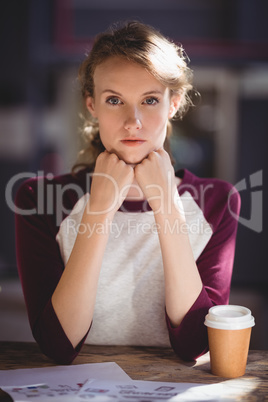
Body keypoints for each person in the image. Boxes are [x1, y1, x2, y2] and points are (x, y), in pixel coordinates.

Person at [15, 21, 240, 364]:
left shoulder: (218, 202)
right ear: (92, 105)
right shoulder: (38, 200)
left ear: (173, 104)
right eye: (114, 99)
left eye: (150, 100)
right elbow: (57, 345)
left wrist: (165, 204)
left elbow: (196, 342)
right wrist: (99, 209)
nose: (133, 120)